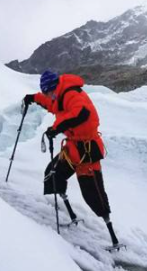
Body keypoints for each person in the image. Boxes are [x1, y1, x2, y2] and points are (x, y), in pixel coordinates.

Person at [23, 70, 119, 247]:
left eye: (48, 92)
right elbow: (49, 103)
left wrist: (56, 127)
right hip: (73, 148)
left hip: (87, 150)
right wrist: (33, 98)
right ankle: (72, 215)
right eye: (45, 93)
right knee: (53, 174)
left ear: (54, 88)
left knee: (93, 193)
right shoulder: (56, 96)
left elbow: (80, 113)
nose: (48, 96)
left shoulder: (72, 94)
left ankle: (113, 237)